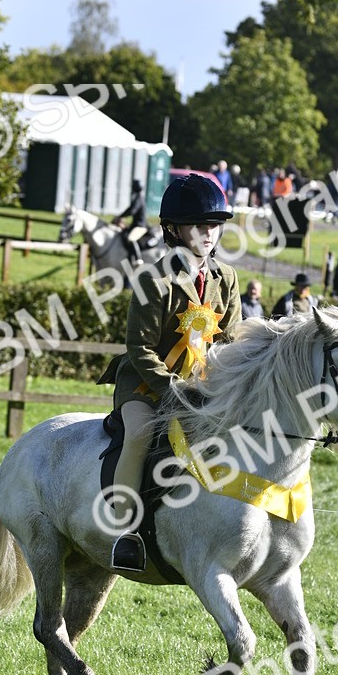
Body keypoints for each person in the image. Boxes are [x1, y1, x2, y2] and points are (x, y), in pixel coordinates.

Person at [99, 173, 242, 570]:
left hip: (203, 386)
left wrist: (224, 386)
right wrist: (174, 388)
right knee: (141, 435)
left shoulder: (225, 278)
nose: (209, 233)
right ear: (174, 230)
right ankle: (124, 532)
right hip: (146, 386)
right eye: (200, 225)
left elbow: (230, 342)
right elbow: (139, 347)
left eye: (214, 226)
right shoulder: (152, 279)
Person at [115, 179, 148, 265]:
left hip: (140, 226)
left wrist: (121, 217)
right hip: (135, 225)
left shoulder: (139, 198)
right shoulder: (137, 197)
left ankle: (138, 258)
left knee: (131, 238)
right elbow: (129, 209)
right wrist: (120, 216)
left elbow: (132, 211)